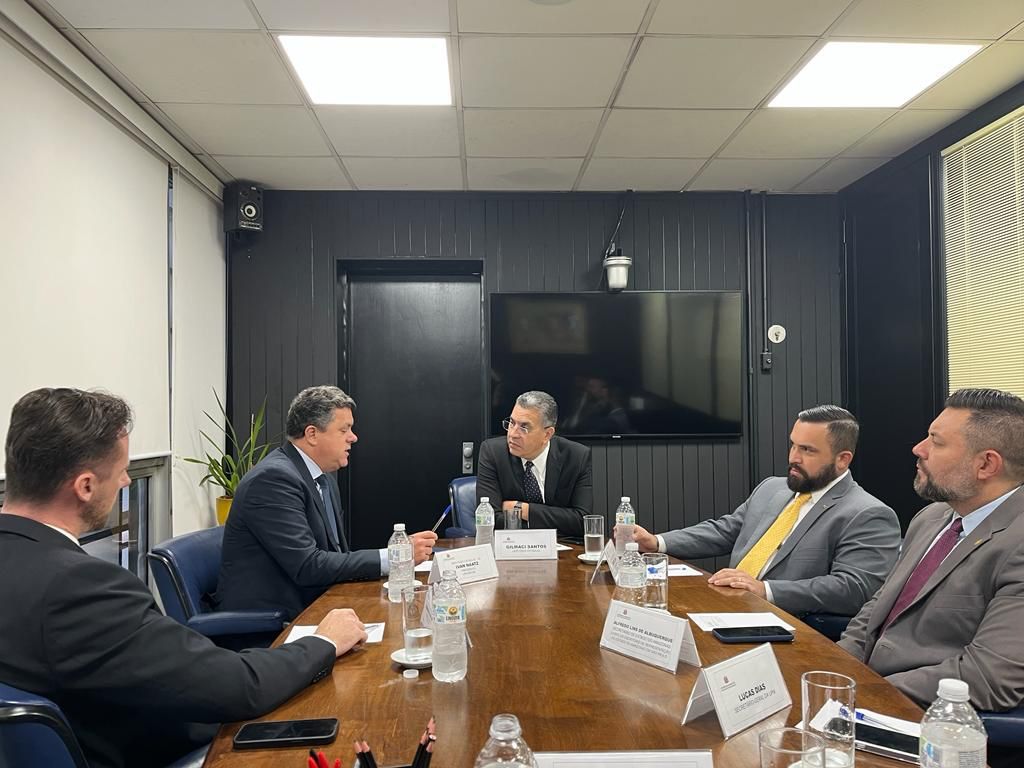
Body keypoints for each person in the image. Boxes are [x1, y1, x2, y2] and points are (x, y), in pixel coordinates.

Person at [0, 388, 368, 768]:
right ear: (86, 486)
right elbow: (237, 687)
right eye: (122, 470)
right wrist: (324, 641)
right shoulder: (83, 587)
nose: (126, 482)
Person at [839, 388, 1024, 712]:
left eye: (936, 442)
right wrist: (836, 669)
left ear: (986, 464)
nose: (919, 449)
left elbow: (989, 677)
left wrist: (866, 692)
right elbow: (876, 609)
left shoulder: (1017, 544)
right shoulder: (931, 517)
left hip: (925, 719)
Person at [631, 405, 900, 618]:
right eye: (793, 445)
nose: (793, 457)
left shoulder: (868, 514)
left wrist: (766, 590)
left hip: (789, 623)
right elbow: (727, 530)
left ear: (842, 459)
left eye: (807, 450)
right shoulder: (772, 488)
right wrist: (656, 542)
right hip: (728, 607)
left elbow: (854, 588)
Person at [215, 385, 437, 620]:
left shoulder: (323, 479)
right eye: (344, 429)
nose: (353, 437)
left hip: (320, 601)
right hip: (272, 618)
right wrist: (394, 557)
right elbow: (308, 566)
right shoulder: (273, 480)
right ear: (312, 434)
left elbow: (336, 553)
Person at [477, 390, 592, 538]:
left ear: (547, 434)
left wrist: (522, 509)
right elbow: (489, 519)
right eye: (511, 423)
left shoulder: (576, 457)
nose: (513, 434)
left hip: (563, 546)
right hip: (511, 544)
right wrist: (556, 521)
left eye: (524, 427)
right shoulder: (493, 452)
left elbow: (582, 521)